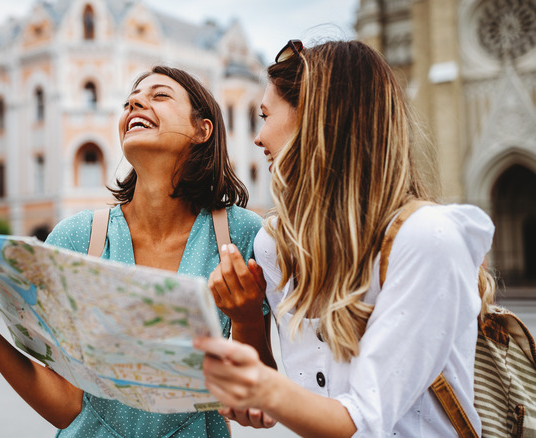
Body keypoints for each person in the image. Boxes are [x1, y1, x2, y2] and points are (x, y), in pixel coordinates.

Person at [0, 65, 271, 437]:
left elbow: (260, 403)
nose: (134, 102)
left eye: (159, 95)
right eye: (130, 100)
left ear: (203, 130)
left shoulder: (239, 234)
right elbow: (67, 406)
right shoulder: (76, 237)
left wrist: (247, 317)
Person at [194, 40, 497, 437]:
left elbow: (363, 422)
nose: (258, 137)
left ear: (318, 120)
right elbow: (269, 405)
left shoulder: (425, 238)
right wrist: (246, 318)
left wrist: (260, 386)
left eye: (265, 116)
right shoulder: (274, 244)